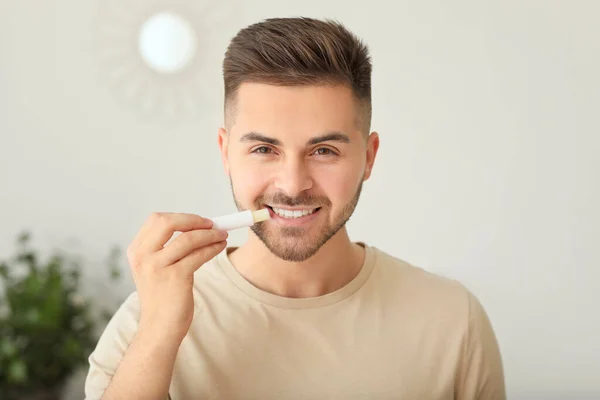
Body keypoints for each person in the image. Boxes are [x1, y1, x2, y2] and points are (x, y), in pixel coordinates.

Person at [84, 17, 506, 400]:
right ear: (226, 153)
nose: (292, 184)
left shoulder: (453, 321)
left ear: (369, 157)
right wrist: (159, 334)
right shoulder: (149, 317)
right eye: (264, 149)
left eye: (323, 150)